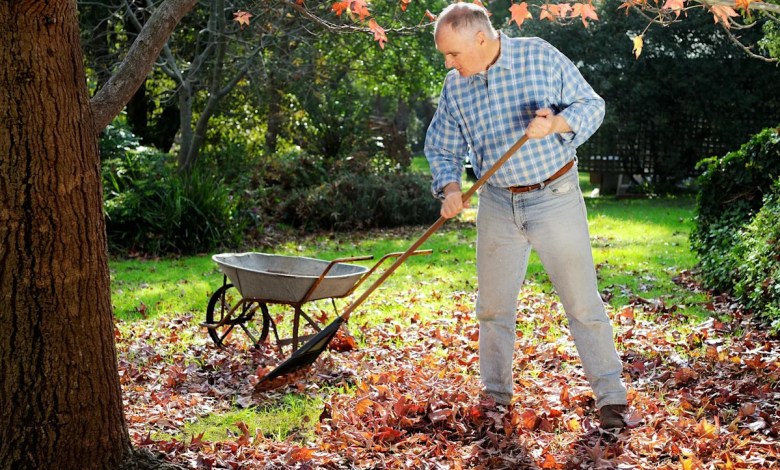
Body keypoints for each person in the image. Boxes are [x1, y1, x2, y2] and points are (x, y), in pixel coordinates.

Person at [424, 2, 628, 429]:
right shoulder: (455, 86)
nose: (448, 62)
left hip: (554, 195)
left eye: (453, 53)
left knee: (581, 303)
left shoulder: (538, 55)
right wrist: (450, 187)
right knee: (493, 308)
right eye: (445, 55)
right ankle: (495, 396)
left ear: (480, 39)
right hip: (498, 202)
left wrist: (556, 124)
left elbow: (591, 105)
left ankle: (611, 398)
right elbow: (443, 146)